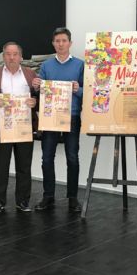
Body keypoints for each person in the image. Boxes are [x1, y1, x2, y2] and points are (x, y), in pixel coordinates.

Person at [31, 27, 84, 212]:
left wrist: (79, 90)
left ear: (70, 43)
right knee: (46, 158)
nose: (60, 44)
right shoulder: (46, 66)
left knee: (72, 158)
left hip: (73, 116)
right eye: (57, 41)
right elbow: (40, 91)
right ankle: (48, 196)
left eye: (64, 40)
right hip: (50, 116)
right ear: (53, 43)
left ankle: (73, 198)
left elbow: (90, 94)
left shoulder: (80, 65)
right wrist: (36, 86)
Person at [0, 41, 38, 214]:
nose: (11, 57)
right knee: (0, 166)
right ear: (3, 55)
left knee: (24, 166)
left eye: (15, 54)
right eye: (8, 54)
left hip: (24, 127)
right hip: (3, 127)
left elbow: (40, 98)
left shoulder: (31, 74)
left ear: (21, 56)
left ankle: (23, 201)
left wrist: (35, 102)